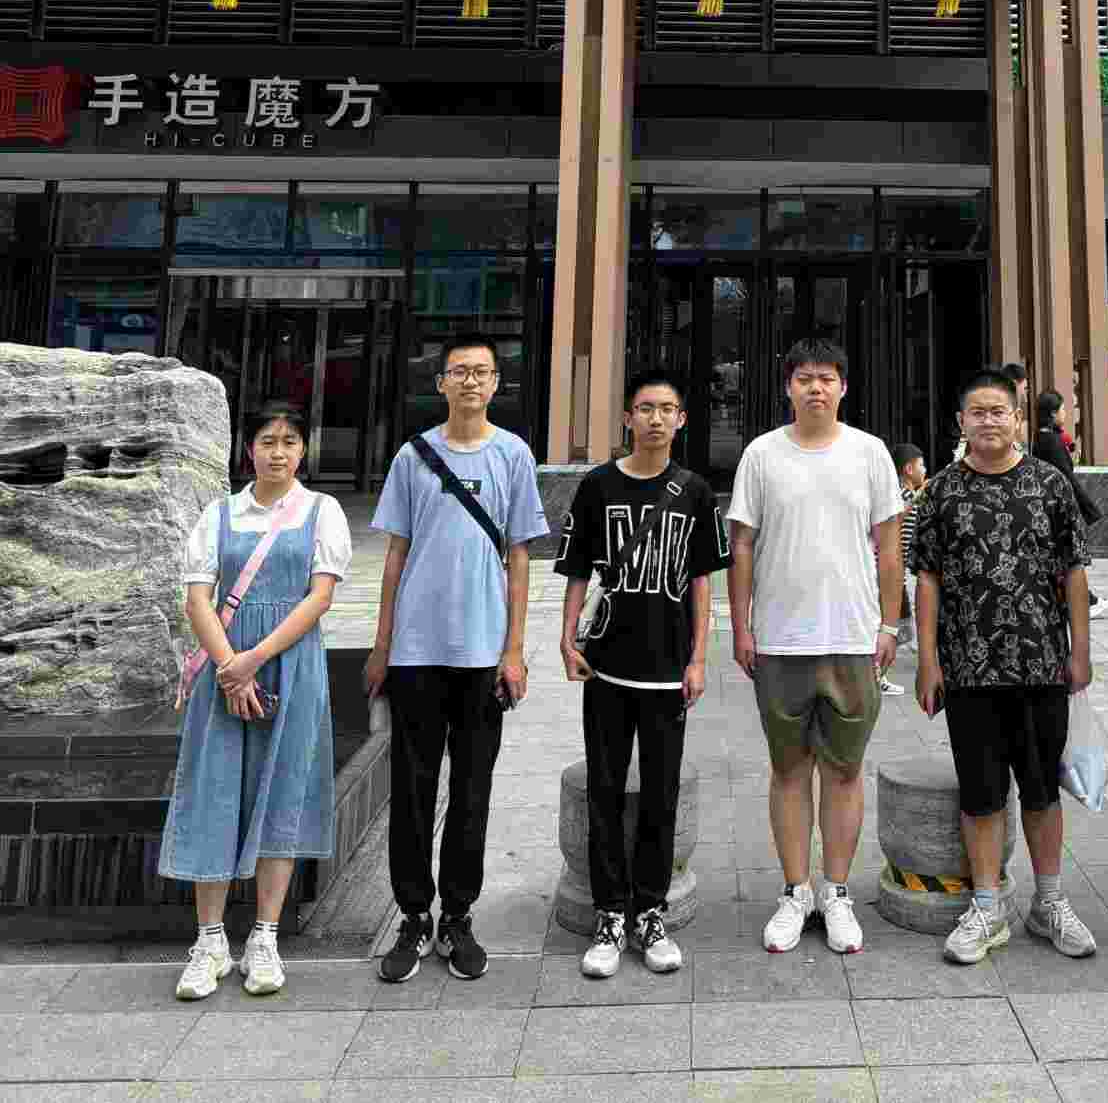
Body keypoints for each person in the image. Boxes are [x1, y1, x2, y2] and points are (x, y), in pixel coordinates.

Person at [365, 331, 547, 985]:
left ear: (497, 383)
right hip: (416, 651)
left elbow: (520, 558)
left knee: (472, 790)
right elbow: (394, 555)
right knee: (412, 789)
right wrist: (382, 645)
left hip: (482, 655)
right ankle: (413, 914)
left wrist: (514, 650)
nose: (470, 381)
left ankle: (458, 915)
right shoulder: (413, 456)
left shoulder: (514, 455)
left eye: (481, 371)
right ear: (440, 382)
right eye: (459, 371)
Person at [160, 405, 352, 1001]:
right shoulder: (218, 514)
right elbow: (197, 599)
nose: (278, 452)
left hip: (291, 665)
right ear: (249, 449)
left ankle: (265, 937)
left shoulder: (322, 511)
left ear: (303, 450)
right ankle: (210, 940)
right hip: (224, 671)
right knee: (213, 790)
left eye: (290, 441)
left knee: (283, 791)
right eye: (268, 441)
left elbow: (319, 598)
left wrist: (255, 659)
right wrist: (231, 669)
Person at [914, 368, 1097, 966]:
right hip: (968, 671)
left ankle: (1049, 903)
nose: (989, 421)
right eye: (978, 412)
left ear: (1017, 419)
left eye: (999, 411)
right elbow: (927, 579)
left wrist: (1080, 651)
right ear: (960, 422)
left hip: (1042, 666)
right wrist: (928, 660)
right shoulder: (941, 491)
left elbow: (1074, 571)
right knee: (981, 795)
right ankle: (987, 906)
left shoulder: (1049, 484)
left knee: (1042, 792)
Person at [727, 335, 904, 955]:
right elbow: (742, 544)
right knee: (788, 769)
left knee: (845, 770)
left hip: (852, 636)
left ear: (843, 387)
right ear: (788, 387)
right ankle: (795, 890)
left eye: (826, 378)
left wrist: (889, 625)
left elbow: (889, 544)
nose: (816, 388)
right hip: (780, 639)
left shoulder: (869, 453)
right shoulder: (761, 455)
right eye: (804, 378)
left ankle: (837, 892)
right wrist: (742, 627)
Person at [557, 366, 730, 980]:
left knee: (661, 794)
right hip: (606, 667)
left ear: (681, 420)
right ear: (628, 417)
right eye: (645, 408)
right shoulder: (597, 486)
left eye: (666, 409)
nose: (655, 419)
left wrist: (699, 658)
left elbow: (704, 585)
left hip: (666, 669)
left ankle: (650, 911)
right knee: (604, 791)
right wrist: (566, 638)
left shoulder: (695, 492)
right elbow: (577, 569)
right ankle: (609, 913)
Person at [1008, 363, 1108, 621]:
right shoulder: (1050, 441)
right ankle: (1084, 602)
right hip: (1055, 511)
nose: (1066, 413)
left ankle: (1082, 601)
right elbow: (1066, 479)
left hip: (1046, 509)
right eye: (1063, 408)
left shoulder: (1042, 438)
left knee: (1060, 563)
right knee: (1066, 561)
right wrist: (1088, 508)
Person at [890, 442, 925, 655]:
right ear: (909, 469)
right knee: (913, 603)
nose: (925, 470)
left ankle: (911, 642)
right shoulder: (903, 495)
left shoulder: (911, 495)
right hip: (904, 563)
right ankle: (913, 644)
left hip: (907, 564)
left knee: (911, 603)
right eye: (921, 465)